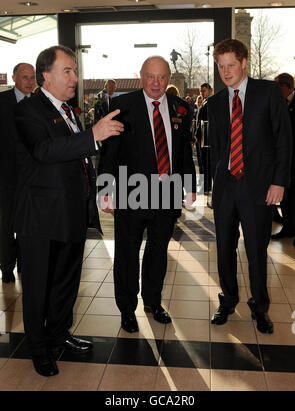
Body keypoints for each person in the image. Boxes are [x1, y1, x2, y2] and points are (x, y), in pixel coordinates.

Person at [14, 45, 123, 377]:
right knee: (38, 287)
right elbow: (45, 150)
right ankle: (38, 348)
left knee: (66, 283)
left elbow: (78, 161)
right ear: (46, 75)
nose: (75, 77)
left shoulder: (70, 110)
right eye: (68, 71)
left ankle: (59, 334)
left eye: (75, 70)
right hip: (41, 218)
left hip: (72, 214)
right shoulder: (28, 110)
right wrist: (93, 135)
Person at [98, 56, 196, 334]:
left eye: (162, 77)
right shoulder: (121, 106)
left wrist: (189, 186)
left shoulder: (181, 108)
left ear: (168, 78)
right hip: (131, 193)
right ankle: (127, 310)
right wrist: (106, 190)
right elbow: (110, 151)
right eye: (151, 76)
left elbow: (184, 150)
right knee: (127, 253)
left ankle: (153, 301)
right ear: (141, 76)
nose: (156, 82)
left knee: (158, 250)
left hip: (166, 193)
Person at [208, 39, 292, 334]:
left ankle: (260, 307)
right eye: (221, 66)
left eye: (231, 65)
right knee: (224, 250)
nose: (226, 71)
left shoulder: (268, 93)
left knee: (257, 251)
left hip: (259, 189)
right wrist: (213, 187)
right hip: (226, 188)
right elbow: (217, 150)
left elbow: (284, 140)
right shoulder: (215, 102)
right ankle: (228, 300)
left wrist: (279, 182)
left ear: (244, 63)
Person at [0, 63, 35, 284]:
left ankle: (25, 262)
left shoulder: (41, 103)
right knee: (5, 224)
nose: (30, 82)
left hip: (32, 176)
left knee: (28, 223)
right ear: (14, 77)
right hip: (6, 176)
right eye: (25, 77)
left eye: (32, 77)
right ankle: (6, 266)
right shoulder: (1, 102)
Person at [272, 73, 295, 246]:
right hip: (285, 159)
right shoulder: (278, 104)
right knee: (287, 196)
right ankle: (288, 227)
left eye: (277, 87)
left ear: (286, 86)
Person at [195, 83, 213, 193]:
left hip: (206, 138)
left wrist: (197, 135)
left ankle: (206, 187)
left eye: (204, 90)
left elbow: (204, 122)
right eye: (201, 91)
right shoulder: (205, 102)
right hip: (202, 137)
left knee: (206, 163)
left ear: (210, 91)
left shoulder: (210, 103)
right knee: (203, 163)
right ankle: (205, 186)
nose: (202, 93)